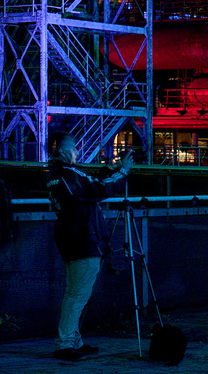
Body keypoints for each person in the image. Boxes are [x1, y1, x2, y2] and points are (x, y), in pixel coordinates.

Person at [46, 132, 134, 361]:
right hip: (84, 242)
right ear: (66, 152)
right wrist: (122, 171)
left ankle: (74, 339)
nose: (77, 152)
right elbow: (99, 190)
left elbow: (88, 189)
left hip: (70, 241)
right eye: (74, 148)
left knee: (73, 294)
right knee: (77, 297)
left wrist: (106, 171)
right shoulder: (69, 174)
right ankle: (65, 343)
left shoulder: (56, 175)